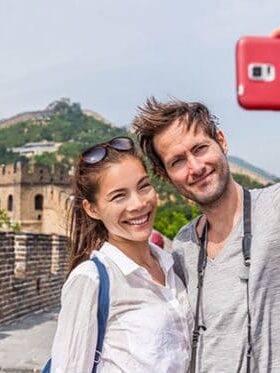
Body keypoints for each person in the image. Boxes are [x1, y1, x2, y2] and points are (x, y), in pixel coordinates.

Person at [132, 22, 280, 373]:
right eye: (178, 161)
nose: (195, 166)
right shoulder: (184, 244)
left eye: (200, 148)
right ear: (166, 176)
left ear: (222, 142)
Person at [49, 136, 193, 372]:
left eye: (144, 186)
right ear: (92, 209)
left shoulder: (170, 265)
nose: (137, 204)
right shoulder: (90, 280)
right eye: (119, 196)